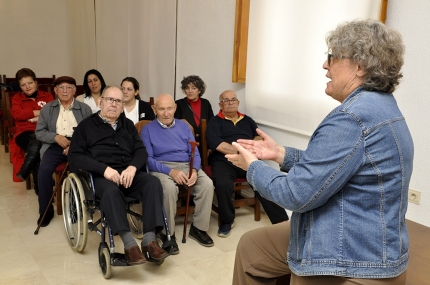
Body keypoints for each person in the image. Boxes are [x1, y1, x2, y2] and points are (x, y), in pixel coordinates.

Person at [227, 19, 412, 284]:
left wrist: (252, 167)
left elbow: (295, 194)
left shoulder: (351, 117)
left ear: (359, 67)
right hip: (371, 243)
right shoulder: (381, 106)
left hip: (352, 257)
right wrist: (280, 154)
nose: (325, 65)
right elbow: (336, 166)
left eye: (332, 57)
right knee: (252, 245)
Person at [69, 86, 168, 265]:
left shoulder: (127, 125)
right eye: (110, 100)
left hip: (128, 174)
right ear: (101, 102)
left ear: (123, 105)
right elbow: (75, 157)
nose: (114, 105)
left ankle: (150, 241)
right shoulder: (86, 126)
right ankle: (129, 244)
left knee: (152, 182)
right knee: (110, 191)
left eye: (118, 101)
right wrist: (104, 169)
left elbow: (140, 151)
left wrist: (132, 167)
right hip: (101, 176)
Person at [206, 90, 289, 238]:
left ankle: (282, 222)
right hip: (225, 160)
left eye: (233, 100)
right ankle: (227, 220)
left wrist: (251, 149)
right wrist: (241, 151)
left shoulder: (247, 120)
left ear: (238, 102)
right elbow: (218, 144)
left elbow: (258, 136)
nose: (230, 102)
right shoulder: (215, 121)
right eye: (226, 100)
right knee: (223, 184)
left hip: (248, 159)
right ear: (220, 104)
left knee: (265, 180)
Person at [141, 93, 214, 254]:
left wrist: (194, 170)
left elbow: (194, 152)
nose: (166, 113)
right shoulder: (147, 129)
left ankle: (199, 229)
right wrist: (171, 171)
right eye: (161, 109)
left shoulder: (184, 126)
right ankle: (168, 233)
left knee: (207, 184)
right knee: (168, 188)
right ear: (154, 110)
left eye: (169, 108)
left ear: (175, 108)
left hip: (187, 165)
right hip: (161, 167)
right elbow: (148, 160)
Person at [35, 76, 92, 227]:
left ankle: (75, 208)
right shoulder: (47, 109)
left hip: (77, 145)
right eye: (61, 87)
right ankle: (45, 211)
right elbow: (39, 132)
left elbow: (90, 133)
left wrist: (74, 145)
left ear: (74, 90)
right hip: (54, 145)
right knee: (44, 171)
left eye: (69, 87)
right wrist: (55, 137)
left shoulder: (85, 109)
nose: (65, 91)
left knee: (76, 171)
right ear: (55, 90)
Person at [10, 68, 54, 193]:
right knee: (36, 139)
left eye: (29, 83)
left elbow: (51, 113)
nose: (27, 87)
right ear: (20, 87)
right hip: (23, 133)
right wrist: (39, 113)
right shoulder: (17, 98)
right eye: (23, 85)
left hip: (45, 131)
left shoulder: (47, 96)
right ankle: (40, 186)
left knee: (37, 142)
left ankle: (27, 172)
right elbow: (17, 114)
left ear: (36, 82)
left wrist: (30, 118)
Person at [174, 75, 214, 155]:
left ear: (199, 90)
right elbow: (176, 127)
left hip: (204, 143)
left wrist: (209, 146)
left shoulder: (206, 103)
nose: (190, 91)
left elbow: (211, 125)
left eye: (194, 88)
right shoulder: (179, 104)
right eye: (187, 88)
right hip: (186, 144)